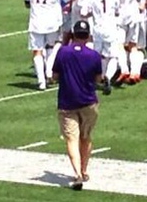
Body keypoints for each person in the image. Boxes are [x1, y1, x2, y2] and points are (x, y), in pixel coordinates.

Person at [52, 20, 103, 191]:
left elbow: (55, 76)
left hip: (67, 101)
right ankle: (84, 169)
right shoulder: (94, 55)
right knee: (86, 137)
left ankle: (77, 173)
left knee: (71, 139)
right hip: (88, 101)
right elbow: (98, 79)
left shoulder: (63, 52)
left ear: (73, 34)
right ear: (88, 36)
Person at [23, 0, 78, 90]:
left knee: (37, 51)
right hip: (52, 22)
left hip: (36, 22)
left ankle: (41, 81)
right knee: (53, 46)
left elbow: (26, 3)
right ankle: (49, 72)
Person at [80, 0, 120, 92]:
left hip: (97, 28)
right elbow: (117, 12)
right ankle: (108, 76)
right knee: (113, 56)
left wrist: (92, 14)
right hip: (111, 28)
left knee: (98, 55)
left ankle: (96, 77)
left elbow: (83, 12)